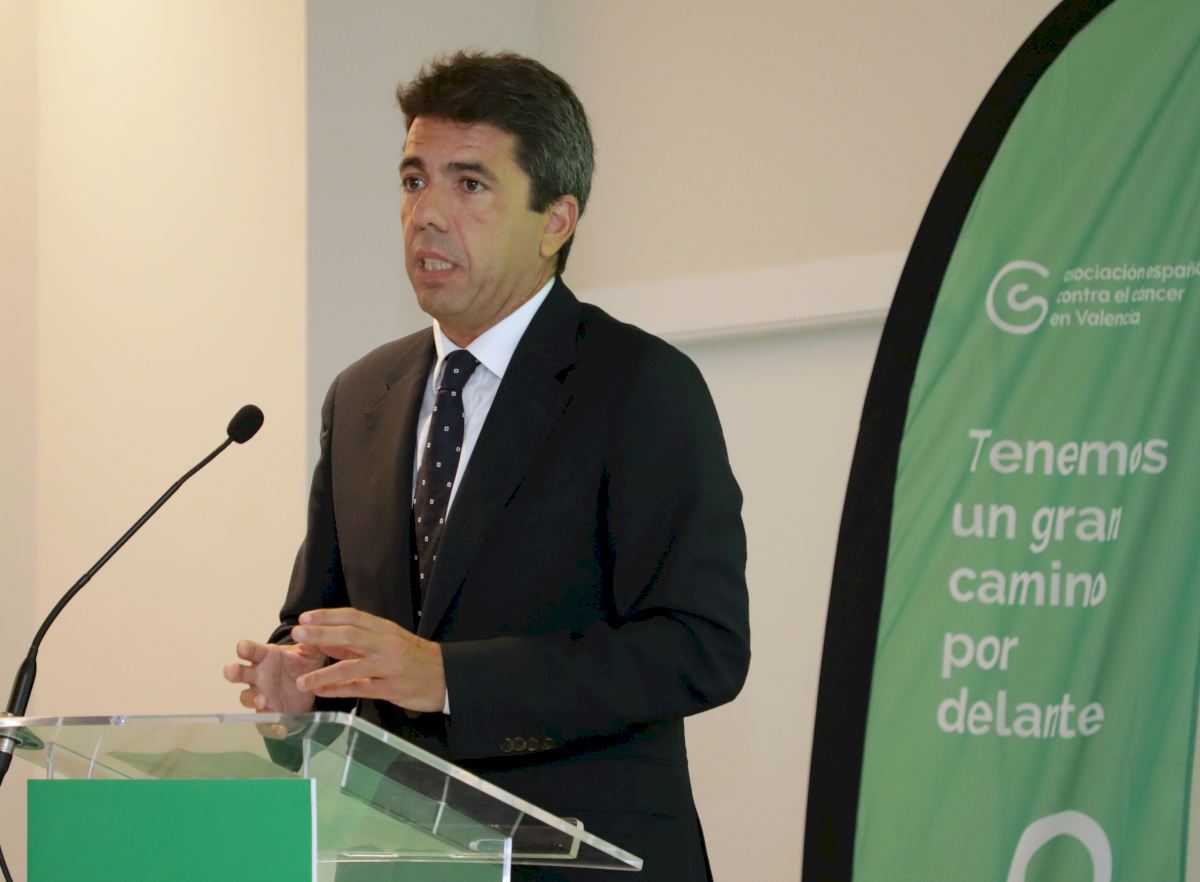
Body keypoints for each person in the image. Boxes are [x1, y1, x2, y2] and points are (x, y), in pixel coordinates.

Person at [224, 50, 750, 881]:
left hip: (583, 859)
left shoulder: (638, 385)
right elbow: (321, 620)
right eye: (413, 180)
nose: (426, 214)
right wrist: (299, 683)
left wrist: (450, 679)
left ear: (556, 221)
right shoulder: (361, 396)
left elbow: (699, 646)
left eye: (469, 184)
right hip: (395, 856)